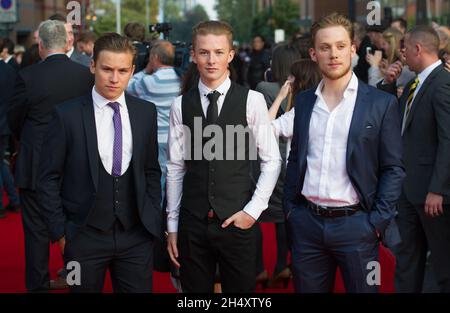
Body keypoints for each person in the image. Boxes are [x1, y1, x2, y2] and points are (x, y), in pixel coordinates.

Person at [283, 12, 405, 293]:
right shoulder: (303, 102)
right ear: (314, 54)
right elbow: (296, 157)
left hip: (358, 227)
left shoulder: (380, 104)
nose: (333, 54)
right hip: (307, 226)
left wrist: (376, 222)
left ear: (353, 49)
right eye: (325, 48)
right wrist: (291, 211)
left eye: (340, 46)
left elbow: (393, 168)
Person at [37, 33, 162, 293]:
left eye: (122, 70)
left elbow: (151, 169)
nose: (114, 79)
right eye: (107, 69)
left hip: (136, 237)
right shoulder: (65, 115)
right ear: (93, 66)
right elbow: (48, 177)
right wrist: (60, 234)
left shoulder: (145, 112)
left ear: (132, 71)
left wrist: (150, 214)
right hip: (82, 238)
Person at [166, 20, 281, 293]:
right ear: (193, 55)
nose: (211, 60)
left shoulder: (252, 100)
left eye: (218, 52)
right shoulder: (180, 105)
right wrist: (172, 225)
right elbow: (175, 168)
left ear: (230, 55)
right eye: (204, 52)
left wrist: (252, 212)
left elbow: (272, 160)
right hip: (192, 224)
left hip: (238, 224)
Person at [7, 19, 94, 292]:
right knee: (76, 229)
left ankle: (39, 286)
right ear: (68, 42)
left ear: (41, 45)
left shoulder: (28, 77)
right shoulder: (85, 76)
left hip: (35, 164)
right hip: (74, 165)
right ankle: (76, 280)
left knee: (36, 235)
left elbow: (14, 119)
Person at [378, 25, 450, 293]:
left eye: (405, 46)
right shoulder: (412, 83)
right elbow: (392, 121)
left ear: (418, 48)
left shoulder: (443, 84)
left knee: (443, 266)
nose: (402, 52)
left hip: (433, 196)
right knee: (407, 260)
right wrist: (387, 84)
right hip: (407, 192)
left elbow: (448, 140)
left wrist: (437, 189)